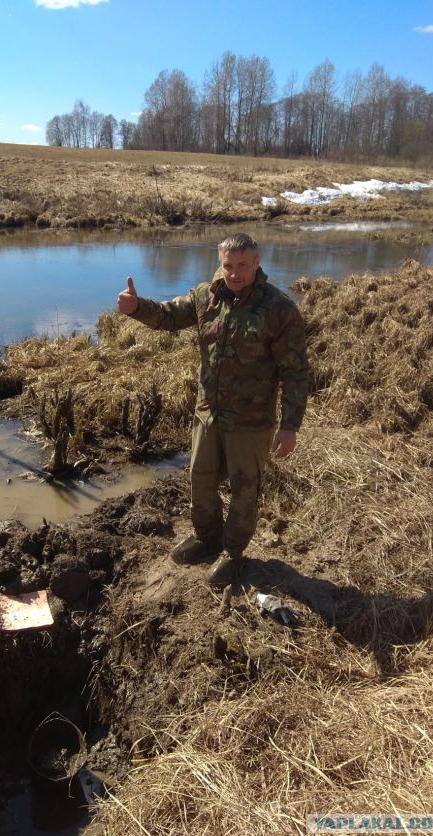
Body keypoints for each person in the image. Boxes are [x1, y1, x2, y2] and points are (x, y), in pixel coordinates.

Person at [117, 233, 309, 589]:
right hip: (208, 413)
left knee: (244, 488)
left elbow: (296, 372)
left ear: (256, 264)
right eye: (228, 266)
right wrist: (137, 308)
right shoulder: (207, 296)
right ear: (220, 263)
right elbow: (170, 316)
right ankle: (207, 537)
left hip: (251, 422)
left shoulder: (279, 310)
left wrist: (290, 426)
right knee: (200, 479)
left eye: (242, 266)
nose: (234, 274)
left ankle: (233, 553)